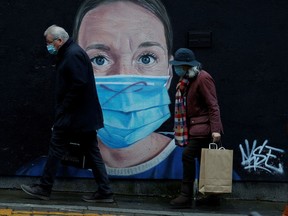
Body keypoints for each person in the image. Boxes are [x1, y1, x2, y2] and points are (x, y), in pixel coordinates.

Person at [71, 0, 183, 178]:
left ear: (169, 74)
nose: (125, 77)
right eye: (99, 59)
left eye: (146, 58)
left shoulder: (200, 171)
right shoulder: (42, 173)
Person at [20, 25, 114, 202]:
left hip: (74, 116)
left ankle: (44, 188)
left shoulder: (72, 55)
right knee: (91, 152)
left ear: (59, 41)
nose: (48, 46)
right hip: (82, 117)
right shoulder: (72, 53)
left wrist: (62, 109)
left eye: (49, 42)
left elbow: (78, 85)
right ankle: (105, 191)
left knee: (57, 148)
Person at [169, 48, 223, 208]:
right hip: (195, 128)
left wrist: (216, 130)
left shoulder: (203, 78)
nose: (176, 68)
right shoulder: (187, 80)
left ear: (186, 66)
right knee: (204, 161)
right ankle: (213, 197)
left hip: (204, 128)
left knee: (187, 156)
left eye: (179, 65)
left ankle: (185, 195)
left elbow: (213, 105)